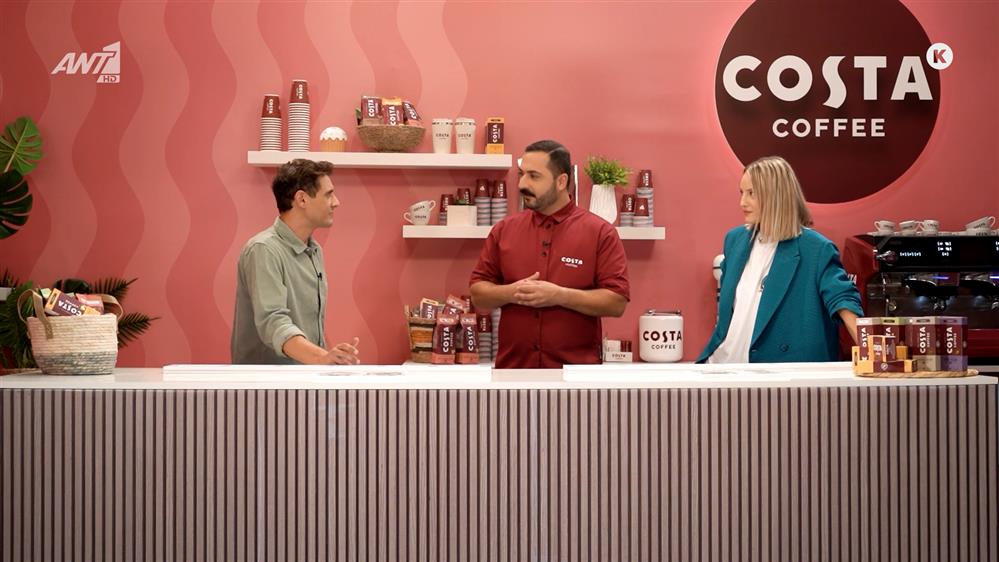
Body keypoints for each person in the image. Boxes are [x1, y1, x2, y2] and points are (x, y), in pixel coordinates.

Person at [469, 140, 630, 368]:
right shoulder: (503, 230)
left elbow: (616, 302)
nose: (522, 184)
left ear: (561, 181)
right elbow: (478, 293)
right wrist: (513, 292)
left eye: (534, 176)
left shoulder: (600, 233)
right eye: (522, 174)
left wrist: (560, 296)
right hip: (513, 373)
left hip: (576, 376)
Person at [697, 156, 862, 363]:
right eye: (741, 192)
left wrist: (871, 351)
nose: (742, 202)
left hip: (778, 370)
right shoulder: (735, 240)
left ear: (775, 196)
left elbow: (843, 299)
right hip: (723, 364)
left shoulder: (816, 249)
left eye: (751, 194)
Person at [231, 159, 360, 365]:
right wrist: (321, 357)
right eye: (328, 194)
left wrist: (327, 358)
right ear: (302, 199)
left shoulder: (314, 251)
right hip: (266, 382)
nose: (336, 202)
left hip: (303, 378)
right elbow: (274, 322)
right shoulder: (264, 250)